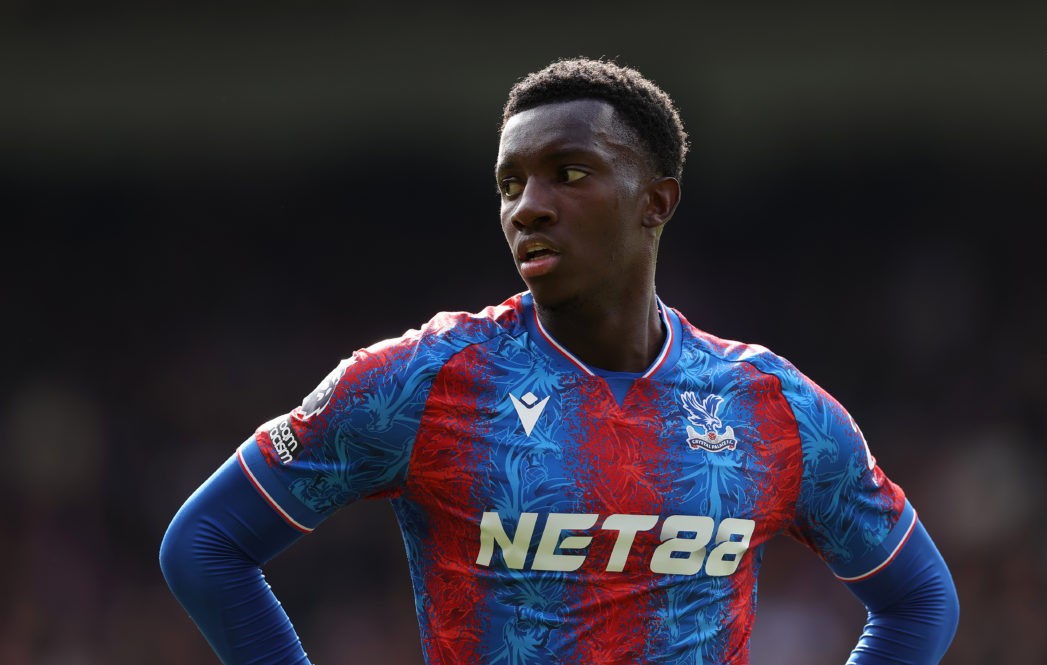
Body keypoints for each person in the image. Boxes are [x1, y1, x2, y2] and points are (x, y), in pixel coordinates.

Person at [160, 57, 959, 664]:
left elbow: (919, 599)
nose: (527, 206)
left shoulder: (770, 406)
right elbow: (204, 545)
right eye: (510, 183)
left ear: (656, 201)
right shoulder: (421, 379)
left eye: (568, 173)